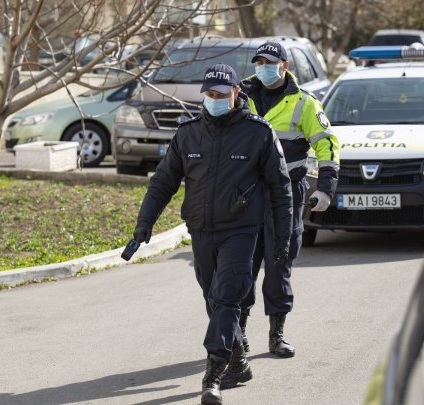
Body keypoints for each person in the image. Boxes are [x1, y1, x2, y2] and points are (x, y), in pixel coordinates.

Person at [133, 63, 293, 405]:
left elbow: (281, 190)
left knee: (227, 298)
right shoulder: (188, 133)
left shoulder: (259, 133)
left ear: (236, 93)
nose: (215, 100)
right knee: (213, 299)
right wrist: (144, 223)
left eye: (221, 94)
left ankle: (212, 376)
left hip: (241, 230)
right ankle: (238, 361)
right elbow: (163, 182)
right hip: (201, 231)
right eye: (209, 95)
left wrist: (282, 239)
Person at [236, 40, 340, 361]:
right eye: (259, 62)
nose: (263, 67)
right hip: (246, 195)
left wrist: (325, 187)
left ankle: (276, 334)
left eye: (270, 62)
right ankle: (237, 334)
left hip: (286, 194)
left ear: (284, 66)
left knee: (280, 262)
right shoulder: (238, 97)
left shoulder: (304, 103)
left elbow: (327, 145)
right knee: (240, 265)